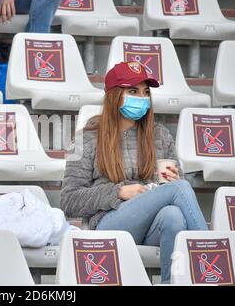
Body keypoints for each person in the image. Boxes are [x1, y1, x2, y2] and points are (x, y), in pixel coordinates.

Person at [60, 61, 208, 283]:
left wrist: (165, 183)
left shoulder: (160, 135)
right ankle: (208, 263)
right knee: (181, 188)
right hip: (107, 223)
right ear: (114, 95)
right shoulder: (85, 138)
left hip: (149, 225)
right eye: (132, 91)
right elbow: (68, 200)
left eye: (145, 92)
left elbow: (173, 191)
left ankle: (171, 282)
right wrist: (118, 192)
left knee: (173, 216)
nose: (141, 97)